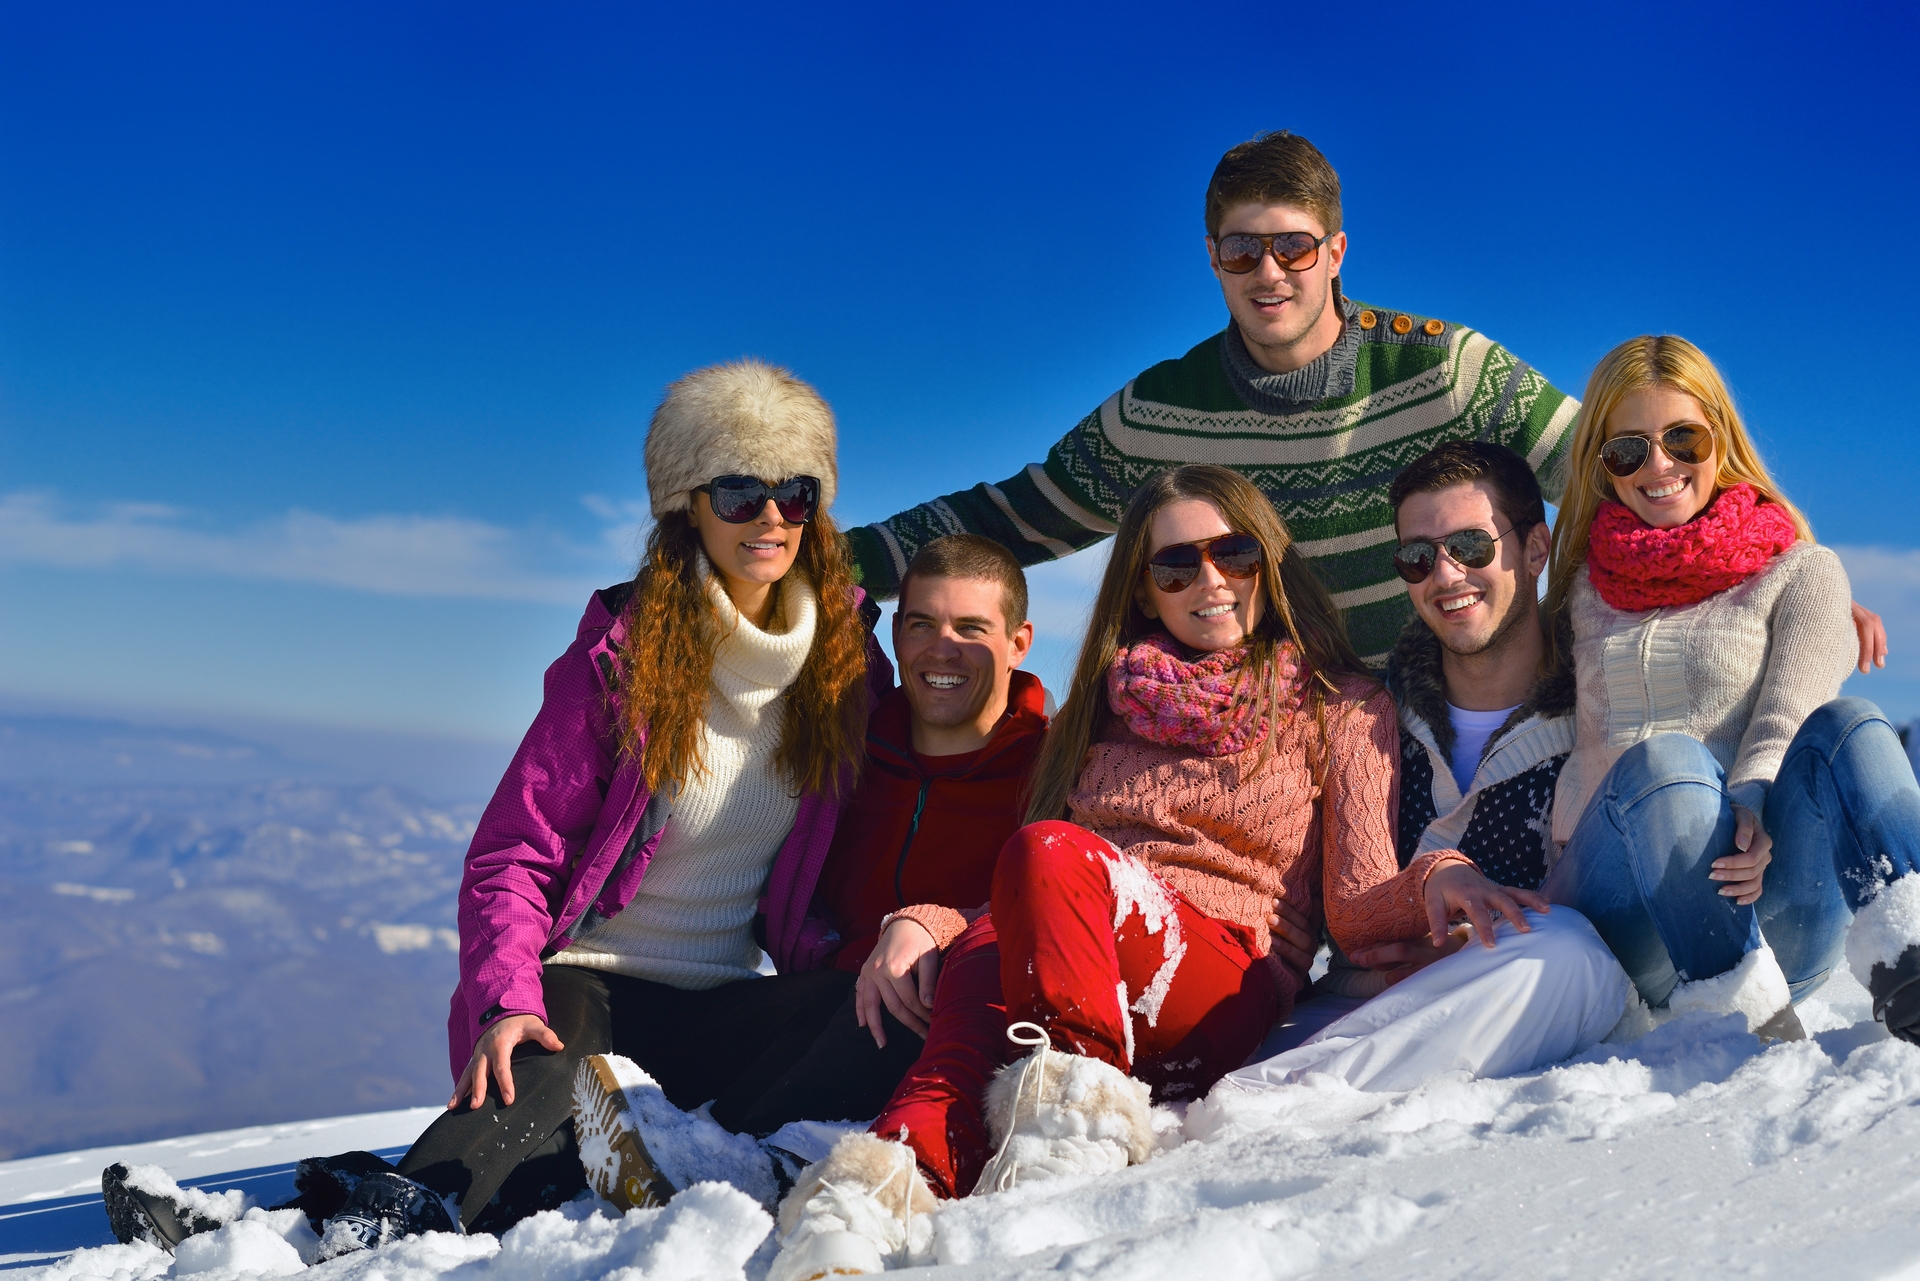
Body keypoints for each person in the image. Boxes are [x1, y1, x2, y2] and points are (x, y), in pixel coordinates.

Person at [103, 359, 891, 1254]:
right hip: (587, 983)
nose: (772, 517)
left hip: (724, 1001)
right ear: (688, 505)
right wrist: (505, 1001)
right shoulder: (621, 661)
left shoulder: (847, 669)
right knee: (536, 1082)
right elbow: (513, 855)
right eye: (741, 491)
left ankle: (690, 1165)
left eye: (796, 492)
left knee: (871, 1020)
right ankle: (320, 1235)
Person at [764, 464, 1550, 1281]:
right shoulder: (1098, 710)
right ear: (1145, 591)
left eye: (1233, 554)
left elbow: (1353, 905)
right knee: (961, 1034)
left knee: (1049, 855)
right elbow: (1027, 889)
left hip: (1213, 978)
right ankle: (856, 1216)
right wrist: (928, 919)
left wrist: (1435, 878)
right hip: (1066, 947)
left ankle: (1068, 1153)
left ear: (1267, 561)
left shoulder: (1340, 704)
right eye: (1176, 567)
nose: (1208, 581)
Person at [833, 131, 1889, 673]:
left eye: (1294, 246)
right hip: (1301, 729)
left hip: (1470, 703)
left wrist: (1790, 570)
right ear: (1211, 259)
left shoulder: (1447, 367)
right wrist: (813, 558)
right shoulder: (1161, 413)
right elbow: (1008, 518)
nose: (1270, 270)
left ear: (1335, 251)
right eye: (1243, 250)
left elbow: (1628, 462)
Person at [569, 534, 1049, 1207]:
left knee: (897, 1000)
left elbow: (1060, 902)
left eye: (971, 628)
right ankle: (659, 1155)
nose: (942, 649)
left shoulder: (1051, 771)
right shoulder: (848, 753)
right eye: (920, 624)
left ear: (1018, 641)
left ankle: (718, 1161)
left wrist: (936, 928)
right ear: (897, 636)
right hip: (813, 1002)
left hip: (939, 1018)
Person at [1538, 336, 1920, 1044]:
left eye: (1684, 437)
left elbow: (1791, 712)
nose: (1660, 465)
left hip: (1769, 898)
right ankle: (1745, 1024)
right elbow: (1507, 695)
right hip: (1618, 916)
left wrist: (1752, 796)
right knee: (1666, 760)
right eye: (1628, 450)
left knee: (1854, 723)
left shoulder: (1800, 571)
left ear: (1721, 436)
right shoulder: (1579, 590)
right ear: (1601, 463)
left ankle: (1912, 955)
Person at [1224, 440, 1625, 1092]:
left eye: (1470, 545)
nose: (1444, 575)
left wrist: (1468, 942)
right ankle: (1281, 1099)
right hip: (1367, 1008)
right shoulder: (1365, 715)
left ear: (1533, 548)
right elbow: (1348, 914)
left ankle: (1287, 1103)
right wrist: (1415, 907)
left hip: (1526, 988)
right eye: (1418, 557)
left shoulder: (1599, 708)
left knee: (1571, 954)